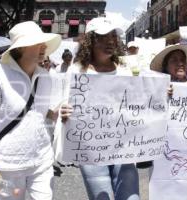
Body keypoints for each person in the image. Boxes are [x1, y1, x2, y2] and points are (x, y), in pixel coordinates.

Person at [0, 21, 61, 200]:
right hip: (7, 166)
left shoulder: (46, 76)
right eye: (37, 42)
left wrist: (59, 113)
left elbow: (42, 115)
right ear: (20, 48)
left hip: (42, 161)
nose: (44, 46)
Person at [60, 17, 139, 200]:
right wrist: (64, 112)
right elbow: (65, 103)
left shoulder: (125, 69)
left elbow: (138, 102)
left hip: (123, 146)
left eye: (113, 37)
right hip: (91, 150)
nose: (110, 42)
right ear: (90, 41)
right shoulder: (78, 71)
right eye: (103, 37)